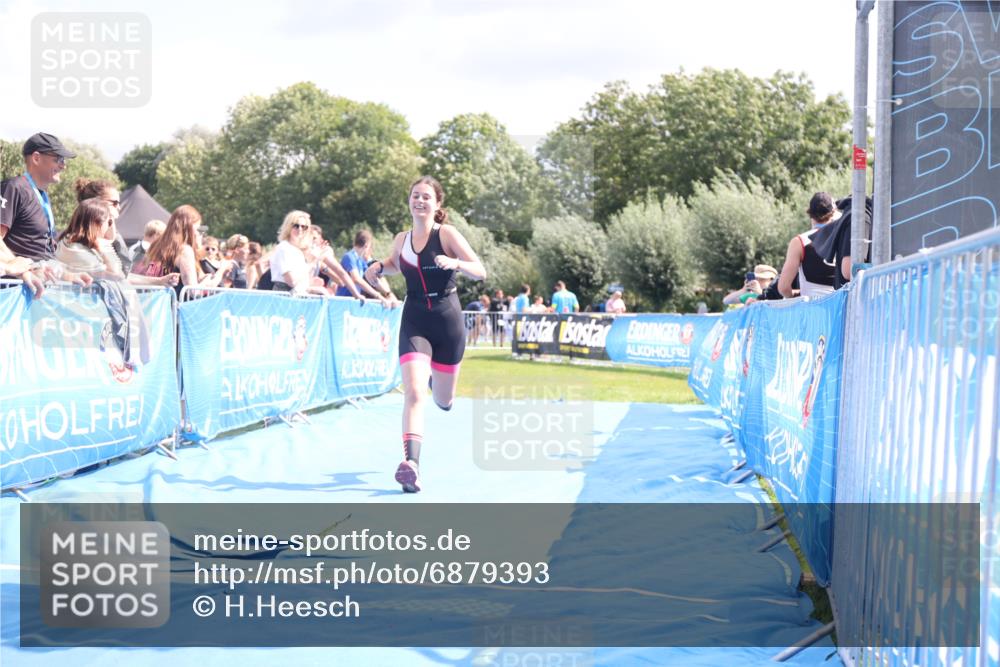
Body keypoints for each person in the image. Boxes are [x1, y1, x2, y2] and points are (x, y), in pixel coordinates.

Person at [363, 176, 485, 493]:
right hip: (415, 318)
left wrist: (455, 261)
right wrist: (377, 267)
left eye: (426, 197)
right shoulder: (402, 237)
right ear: (409, 200)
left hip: (447, 321)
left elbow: (480, 269)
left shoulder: (446, 234)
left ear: (437, 204)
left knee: (443, 400)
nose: (419, 200)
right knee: (414, 393)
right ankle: (411, 467)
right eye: (415, 195)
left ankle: (439, 384)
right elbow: (394, 264)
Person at [56, 198, 178, 288]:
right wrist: (104, 245)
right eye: (109, 222)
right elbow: (116, 276)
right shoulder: (75, 248)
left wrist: (159, 281)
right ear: (97, 223)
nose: (110, 227)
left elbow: (120, 277)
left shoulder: (75, 244)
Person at [1, 132, 75, 260]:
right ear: (36, 158)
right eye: (59, 159)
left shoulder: (42, 195)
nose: (63, 165)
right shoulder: (13, 187)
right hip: (21, 279)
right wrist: (18, 267)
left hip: (44, 275)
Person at [132, 205, 232, 294]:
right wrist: (221, 271)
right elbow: (192, 291)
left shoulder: (156, 245)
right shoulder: (184, 250)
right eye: (196, 229)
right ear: (188, 227)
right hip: (174, 308)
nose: (197, 233)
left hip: (154, 305)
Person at [777, 193, 838, 298]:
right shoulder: (844, 238)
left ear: (810, 214)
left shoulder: (799, 242)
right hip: (841, 308)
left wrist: (794, 295)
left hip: (812, 309)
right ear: (833, 213)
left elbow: (783, 288)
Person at [337, 229, 393, 301]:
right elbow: (357, 279)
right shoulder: (349, 257)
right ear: (367, 245)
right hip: (344, 301)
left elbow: (372, 278)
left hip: (353, 302)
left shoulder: (361, 261)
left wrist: (387, 293)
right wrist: (378, 296)